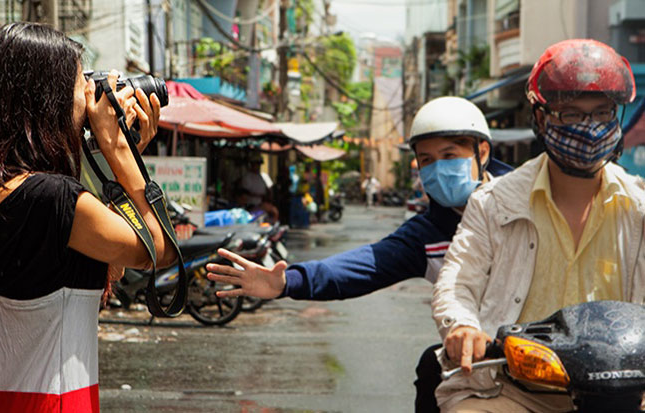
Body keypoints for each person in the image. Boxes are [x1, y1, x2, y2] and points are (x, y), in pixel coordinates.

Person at [205, 96, 513, 412]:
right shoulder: (426, 235)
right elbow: (363, 265)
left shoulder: (528, 200)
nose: (438, 169)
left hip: (547, 350)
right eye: (427, 161)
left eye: (449, 155)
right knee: (431, 370)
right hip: (476, 362)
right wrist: (288, 283)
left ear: (482, 152)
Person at [0, 23, 175, 412]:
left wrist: (116, 158)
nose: (91, 95)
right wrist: (120, 154)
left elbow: (111, 265)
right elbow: (158, 251)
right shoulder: (51, 198)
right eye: (82, 82)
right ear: (45, 98)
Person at [432, 39, 644, 412]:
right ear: (542, 118)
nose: (590, 128)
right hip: (511, 390)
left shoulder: (640, 207)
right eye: (572, 114)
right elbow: (457, 281)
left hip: (624, 391)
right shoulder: (494, 202)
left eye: (601, 113)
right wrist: (462, 326)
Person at [236, 153, 279, 221]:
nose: (258, 166)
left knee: (274, 211)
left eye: (259, 164)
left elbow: (268, 189)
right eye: (256, 164)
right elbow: (244, 193)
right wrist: (258, 195)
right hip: (251, 205)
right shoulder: (247, 177)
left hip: (261, 203)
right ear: (252, 164)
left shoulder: (262, 176)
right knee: (272, 211)